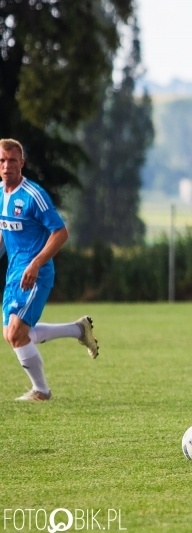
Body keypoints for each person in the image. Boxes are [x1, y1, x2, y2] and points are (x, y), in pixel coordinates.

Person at [0, 138, 99, 402]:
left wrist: (36, 263)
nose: (7, 165)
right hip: (14, 274)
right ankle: (78, 330)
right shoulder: (0, 194)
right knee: (14, 335)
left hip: (37, 273)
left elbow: (60, 232)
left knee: (16, 333)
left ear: (22, 163)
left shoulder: (33, 195)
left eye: (12, 160)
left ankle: (41, 391)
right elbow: (5, 233)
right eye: (2, 160)